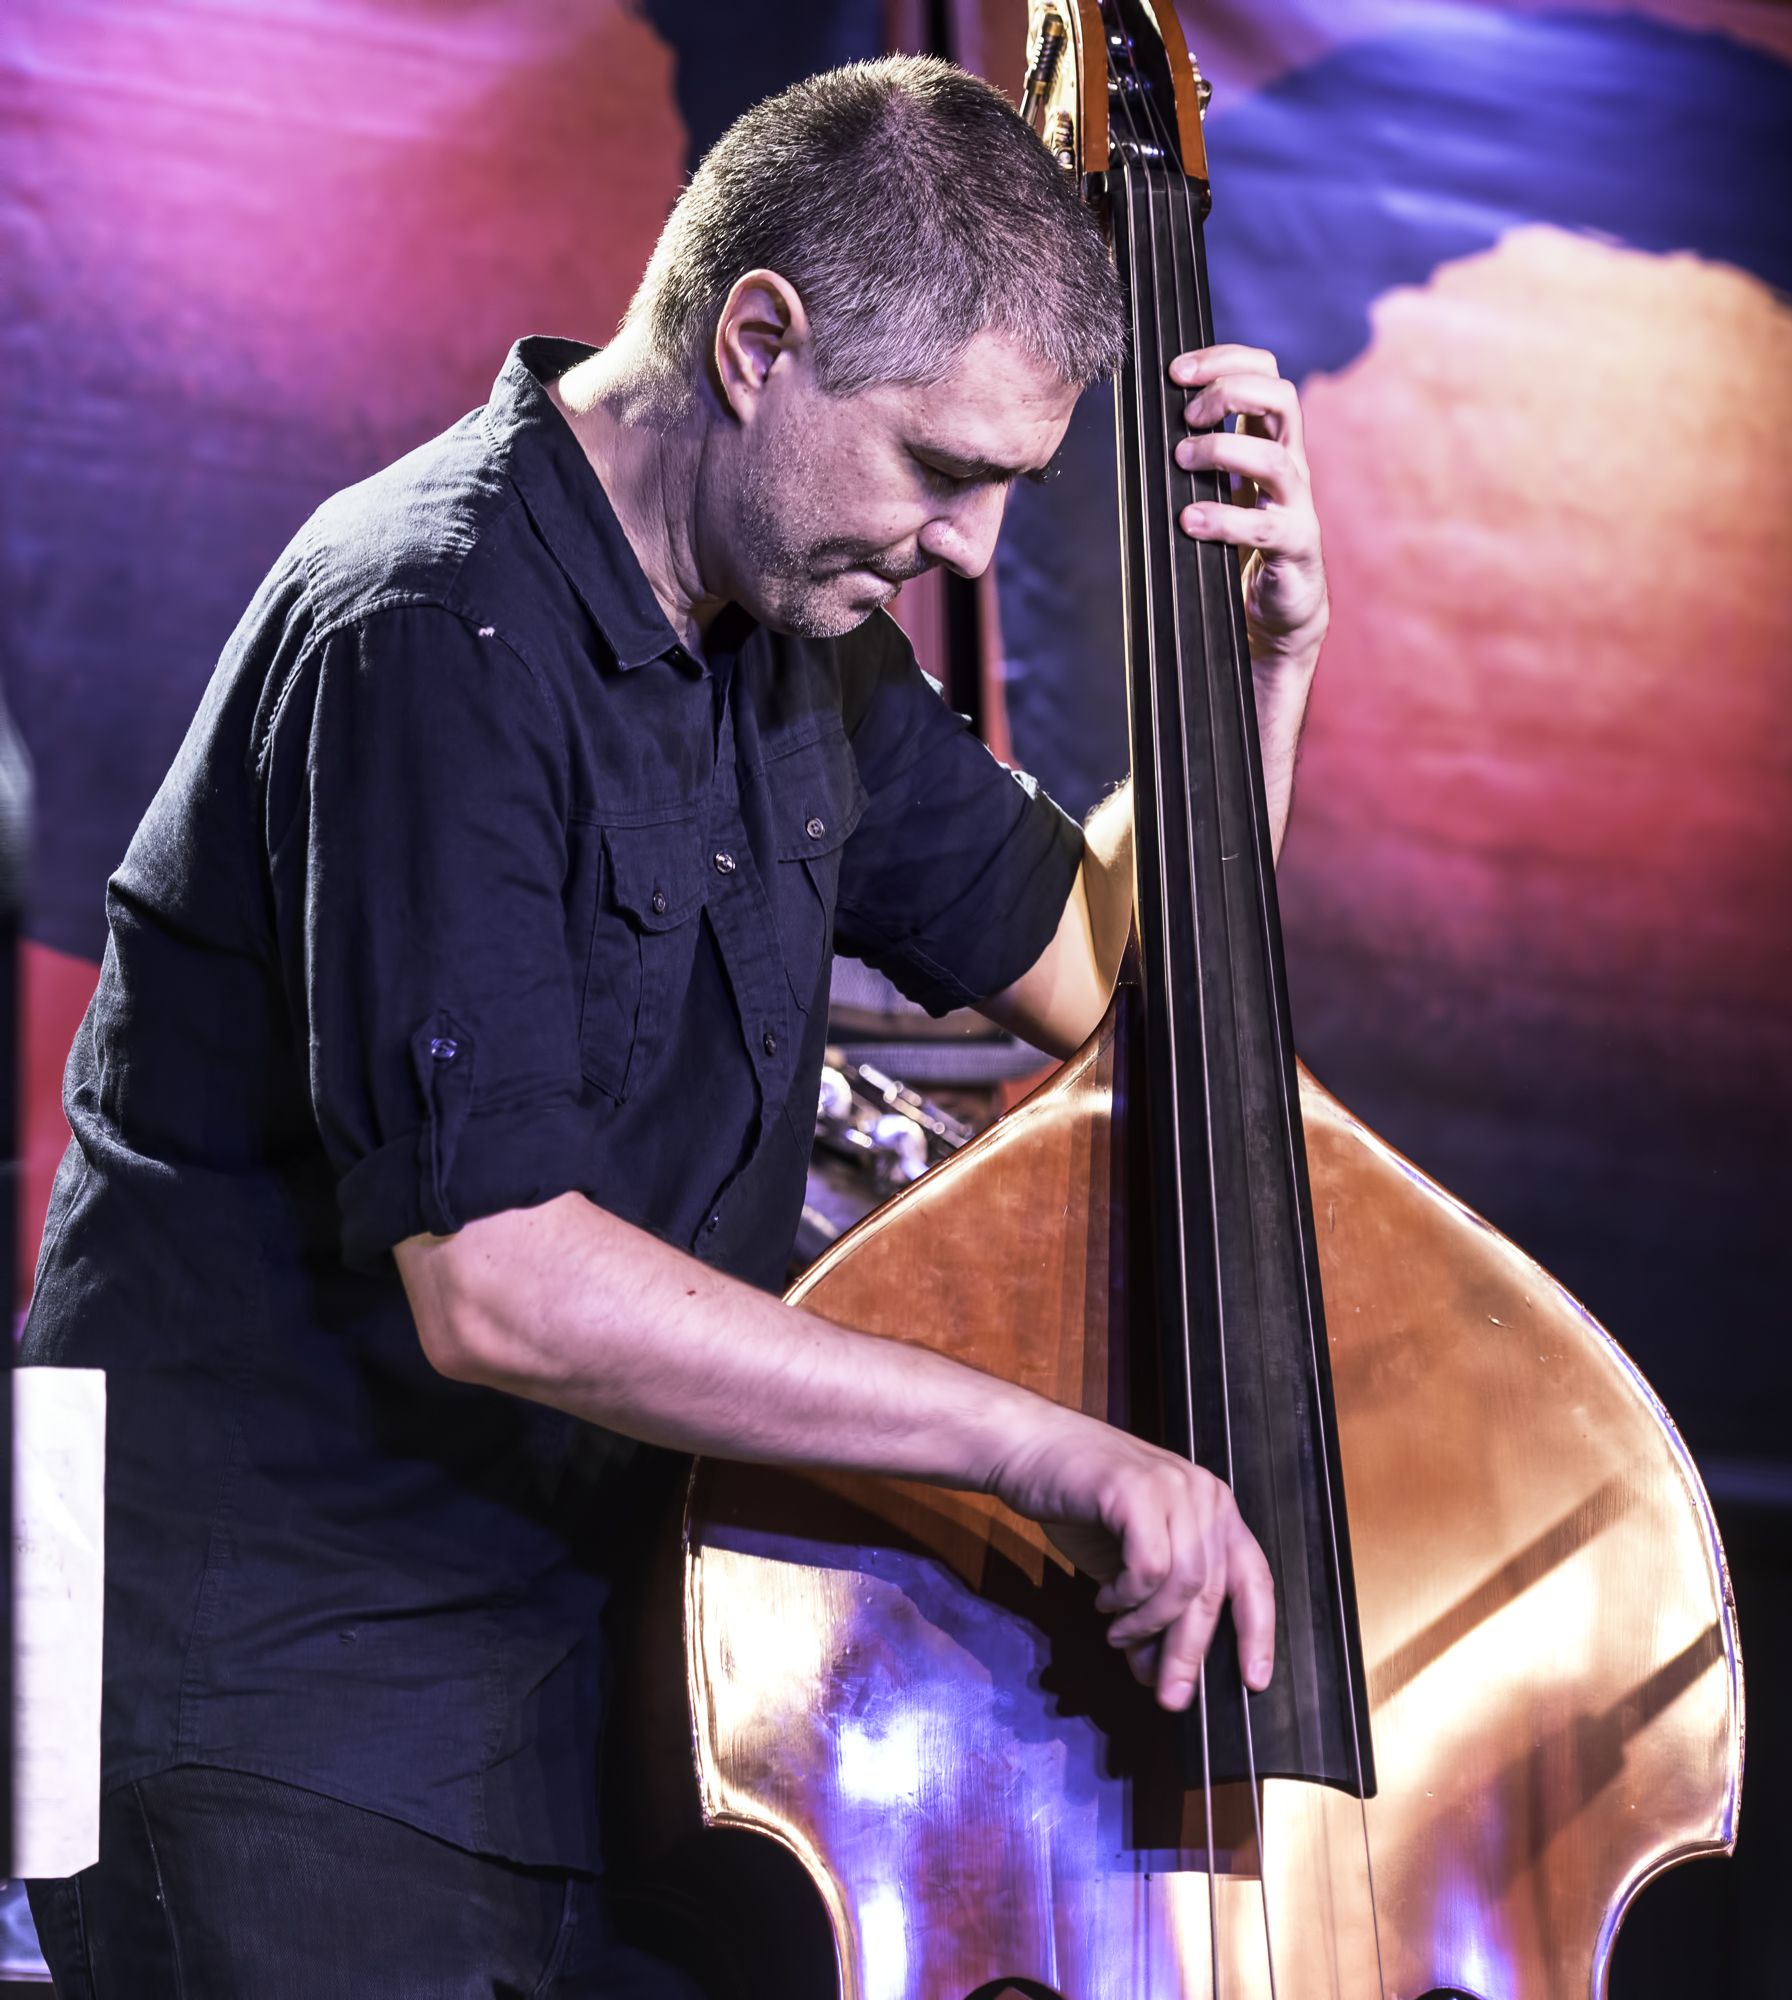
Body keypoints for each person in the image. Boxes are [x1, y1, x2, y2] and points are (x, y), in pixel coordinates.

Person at [19, 56, 1328, 1995]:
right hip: (264, 1687)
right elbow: (504, 1283)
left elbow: (1124, 990)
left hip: (578, 1680)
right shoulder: (428, 619)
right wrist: (1061, 1452)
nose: (968, 549)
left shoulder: (806, 649)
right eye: (942, 470)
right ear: (759, 340)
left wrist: (1257, 680)